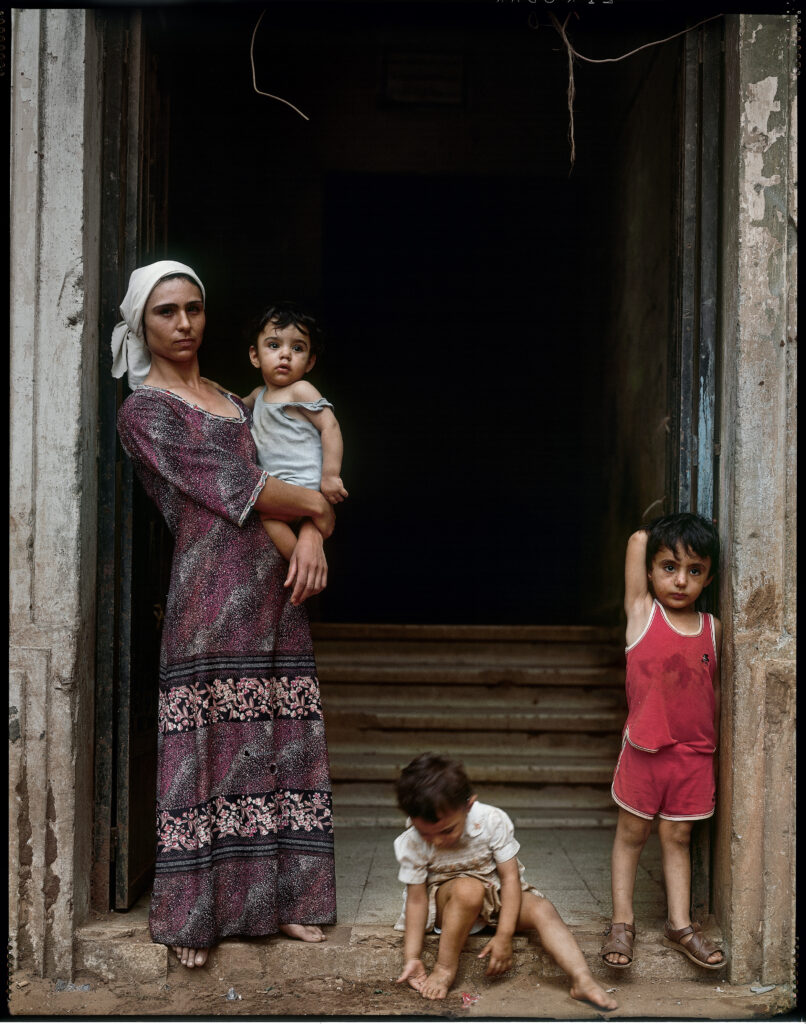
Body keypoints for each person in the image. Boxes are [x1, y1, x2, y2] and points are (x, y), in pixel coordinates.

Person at [112, 261, 337, 970]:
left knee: (282, 741)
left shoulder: (239, 403)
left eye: (194, 309)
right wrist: (318, 509)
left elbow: (293, 474)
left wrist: (309, 532)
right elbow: (244, 487)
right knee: (206, 756)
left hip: (279, 591)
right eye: (166, 312)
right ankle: (195, 918)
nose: (183, 324)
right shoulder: (144, 412)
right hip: (208, 599)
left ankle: (290, 903)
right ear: (142, 325)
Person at [600, 513, 727, 971]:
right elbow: (637, 540)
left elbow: (712, 695)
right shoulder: (642, 613)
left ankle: (679, 924)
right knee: (632, 836)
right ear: (651, 571)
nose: (680, 580)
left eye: (694, 570)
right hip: (644, 752)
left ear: (709, 576)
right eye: (669, 567)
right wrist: (659, 527)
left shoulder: (713, 628)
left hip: (693, 757)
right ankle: (622, 923)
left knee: (678, 836)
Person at [393, 753, 618, 1008]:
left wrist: (504, 935)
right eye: (426, 833)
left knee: (542, 907)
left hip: (495, 896)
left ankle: (582, 979)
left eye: (446, 831)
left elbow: (510, 878)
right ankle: (445, 968)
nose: (436, 841)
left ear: (468, 806)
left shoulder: (492, 821)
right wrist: (411, 956)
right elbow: (416, 899)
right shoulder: (411, 840)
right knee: (469, 889)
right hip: (449, 903)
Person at [241, 302, 348, 561]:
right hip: (279, 490)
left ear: (310, 361)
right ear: (255, 356)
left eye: (297, 348)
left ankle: (302, 565)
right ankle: (301, 564)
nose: (285, 355)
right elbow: (232, 406)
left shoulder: (301, 390)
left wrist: (331, 475)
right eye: (274, 345)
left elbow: (330, 426)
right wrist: (208, 387)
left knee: (266, 517)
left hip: (304, 486)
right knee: (267, 520)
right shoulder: (259, 395)